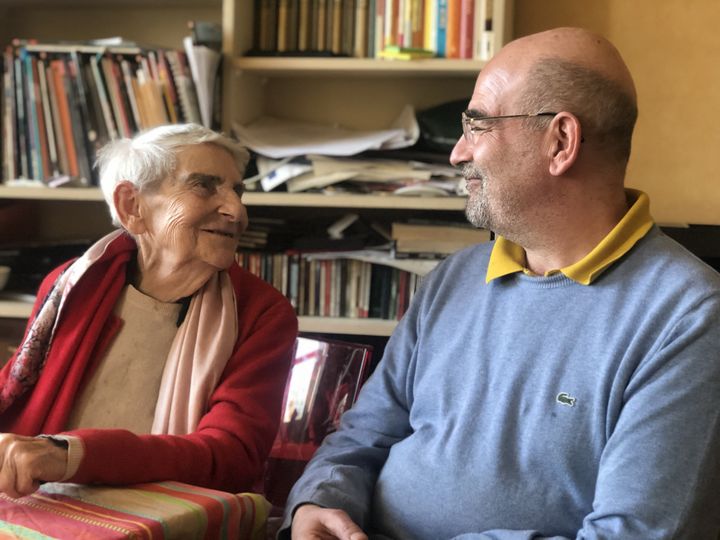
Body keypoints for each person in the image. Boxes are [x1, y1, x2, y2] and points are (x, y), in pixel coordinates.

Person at [280, 27, 720, 539]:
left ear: (560, 141)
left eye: (478, 125)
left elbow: (633, 533)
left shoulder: (688, 316)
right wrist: (318, 501)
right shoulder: (454, 277)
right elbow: (363, 433)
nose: (457, 153)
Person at [0, 124, 298, 498]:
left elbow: (231, 456)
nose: (236, 210)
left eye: (237, 190)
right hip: (42, 500)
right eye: (204, 185)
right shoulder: (71, 285)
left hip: (164, 516)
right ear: (132, 206)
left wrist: (69, 456)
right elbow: (14, 389)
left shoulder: (262, 314)